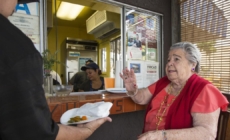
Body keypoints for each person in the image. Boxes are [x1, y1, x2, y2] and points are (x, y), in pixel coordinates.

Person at [0, 0, 111, 139]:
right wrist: (86, 130)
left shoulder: (106, 83)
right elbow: (38, 132)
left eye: (90, 71)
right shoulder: (17, 49)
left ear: (97, 71)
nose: (16, 6)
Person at [120, 42, 229, 140]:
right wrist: (132, 90)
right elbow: (142, 98)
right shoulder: (164, 82)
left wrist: (161, 136)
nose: (169, 63)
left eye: (176, 59)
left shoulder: (203, 89)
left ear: (193, 64)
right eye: (169, 60)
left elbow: (207, 134)